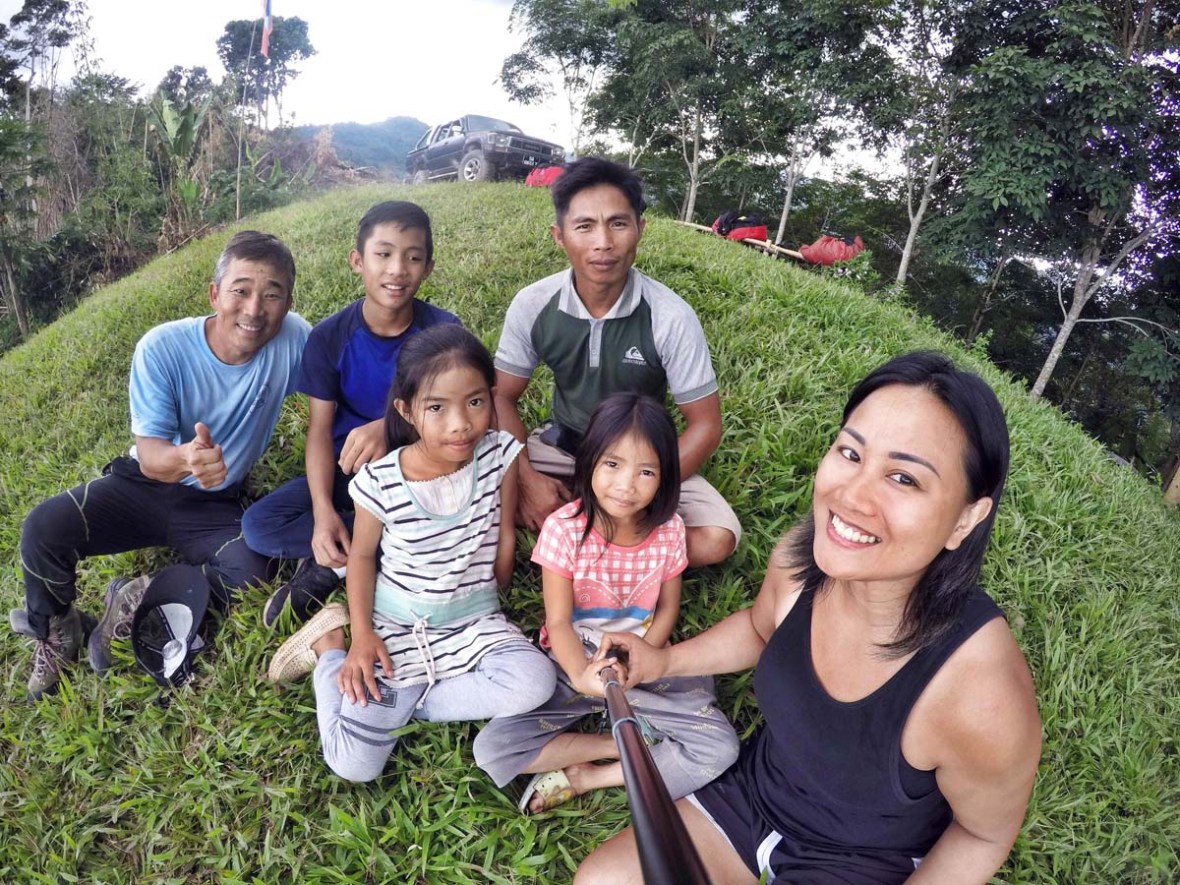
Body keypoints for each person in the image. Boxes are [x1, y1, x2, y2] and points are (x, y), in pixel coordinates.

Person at [578, 352, 1042, 884]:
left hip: (865, 860)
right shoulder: (803, 559)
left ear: (966, 518)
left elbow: (982, 834)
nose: (851, 496)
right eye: (850, 453)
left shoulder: (979, 690)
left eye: (904, 478)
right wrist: (660, 660)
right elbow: (759, 628)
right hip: (752, 801)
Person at [11, 230, 311, 699]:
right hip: (142, 487)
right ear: (215, 294)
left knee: (253, 566)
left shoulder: (294, 338)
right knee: (42, 529)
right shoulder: (163, 348)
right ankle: (58, 628)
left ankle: (136, 597)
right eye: (241, 290)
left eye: (272, 295)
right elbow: (150, 456)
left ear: (288, 302)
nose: (255, 309)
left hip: (216, 503)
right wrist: (186, 458)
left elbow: (336, 385)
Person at [266, 324, 556, 783]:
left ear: (491, 396)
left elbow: (503, 525)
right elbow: (361, 559)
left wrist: (501, 574)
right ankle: (329, 650)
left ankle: (410, 703)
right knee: (352, 765)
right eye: (437, 408)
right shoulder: (380, 483)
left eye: (475, 402)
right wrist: (363, 636)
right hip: (398, 629)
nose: (461, 423)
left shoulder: (500, 454)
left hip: (474, 624)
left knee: (535, 682)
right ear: (406, 410)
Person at [474, 393, 739, 813]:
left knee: (721, 748)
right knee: (493, 751)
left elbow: (668, 608)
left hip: (644, 664)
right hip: (574, 662)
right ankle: (627, 744)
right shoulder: (563, 530)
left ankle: (592, 776)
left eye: (646, 471)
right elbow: (558, 622)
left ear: (665, 476)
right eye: (612, 464)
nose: (626, 485)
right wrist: (582, 676)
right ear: (590, 460)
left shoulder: (669, 531)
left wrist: (646, 656)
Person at [493, 156, 741, 568]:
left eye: (618, 223)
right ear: (559, 235)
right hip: (560, 450)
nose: (603, 242)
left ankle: (580, 534)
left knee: (717, 538)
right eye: (585, 226)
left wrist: (639, 489)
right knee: (477, 497)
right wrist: (527, 479)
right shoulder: (534, 304)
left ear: (640, 229)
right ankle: (616, 541)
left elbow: (705, 425)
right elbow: (500, 397)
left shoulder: (669, 316)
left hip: (642, 460)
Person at [242, 201, 460, 627]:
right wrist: (323, 515)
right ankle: (359, 544)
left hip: (420, 478)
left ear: (428, 267)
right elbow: (320, 433)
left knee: (449, 513)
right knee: (259, 525)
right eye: (383, 254)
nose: (397, 269)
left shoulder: (444, 334)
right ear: (357, 261)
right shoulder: (328, 338)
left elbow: (463, 421)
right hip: (351, 472)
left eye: (412, 257)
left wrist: (391, 428)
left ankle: (334, 566)